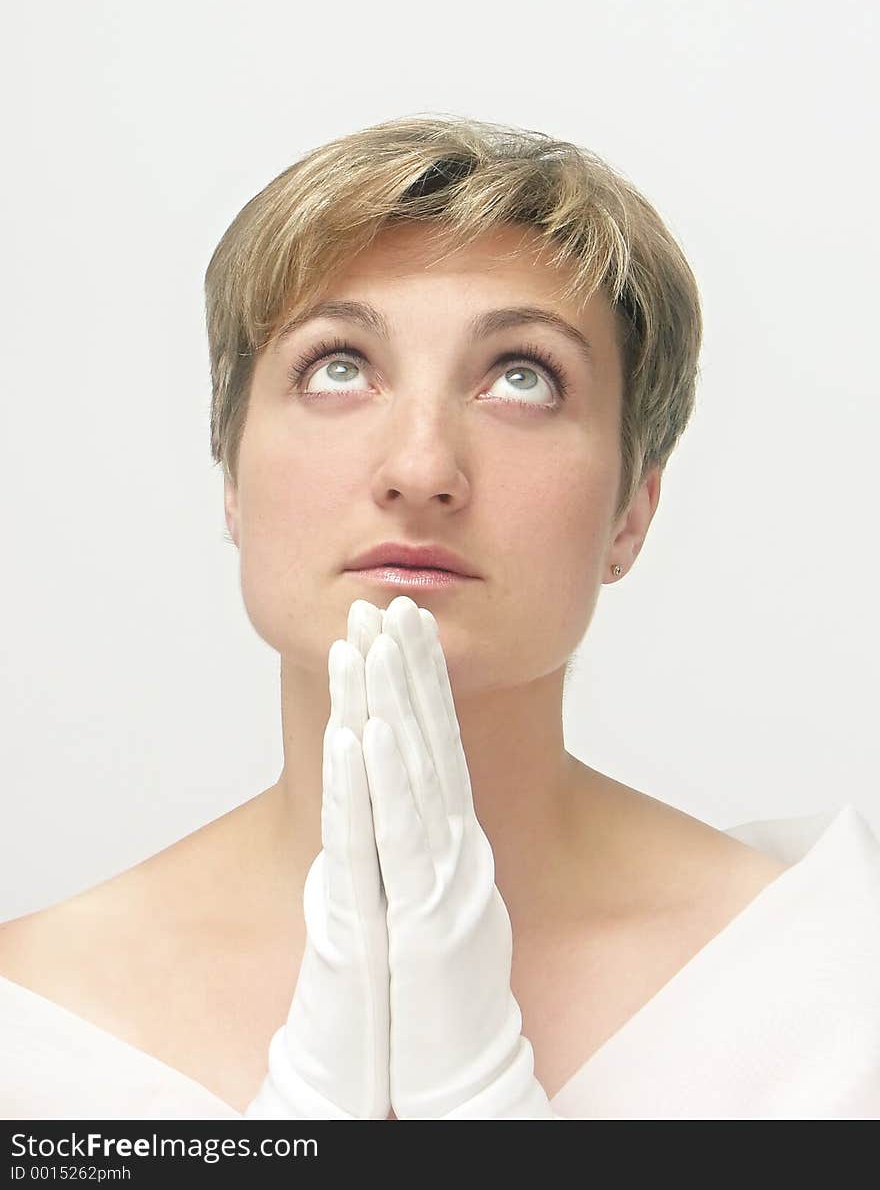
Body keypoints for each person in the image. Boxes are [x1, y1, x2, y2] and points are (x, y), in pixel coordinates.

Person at [2, 115, 878, 1120]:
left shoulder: (833, 986)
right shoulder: (31, 1025)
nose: (420, 470)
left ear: (631, 509)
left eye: (522, 378)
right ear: (231, 475)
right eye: (337, 366)